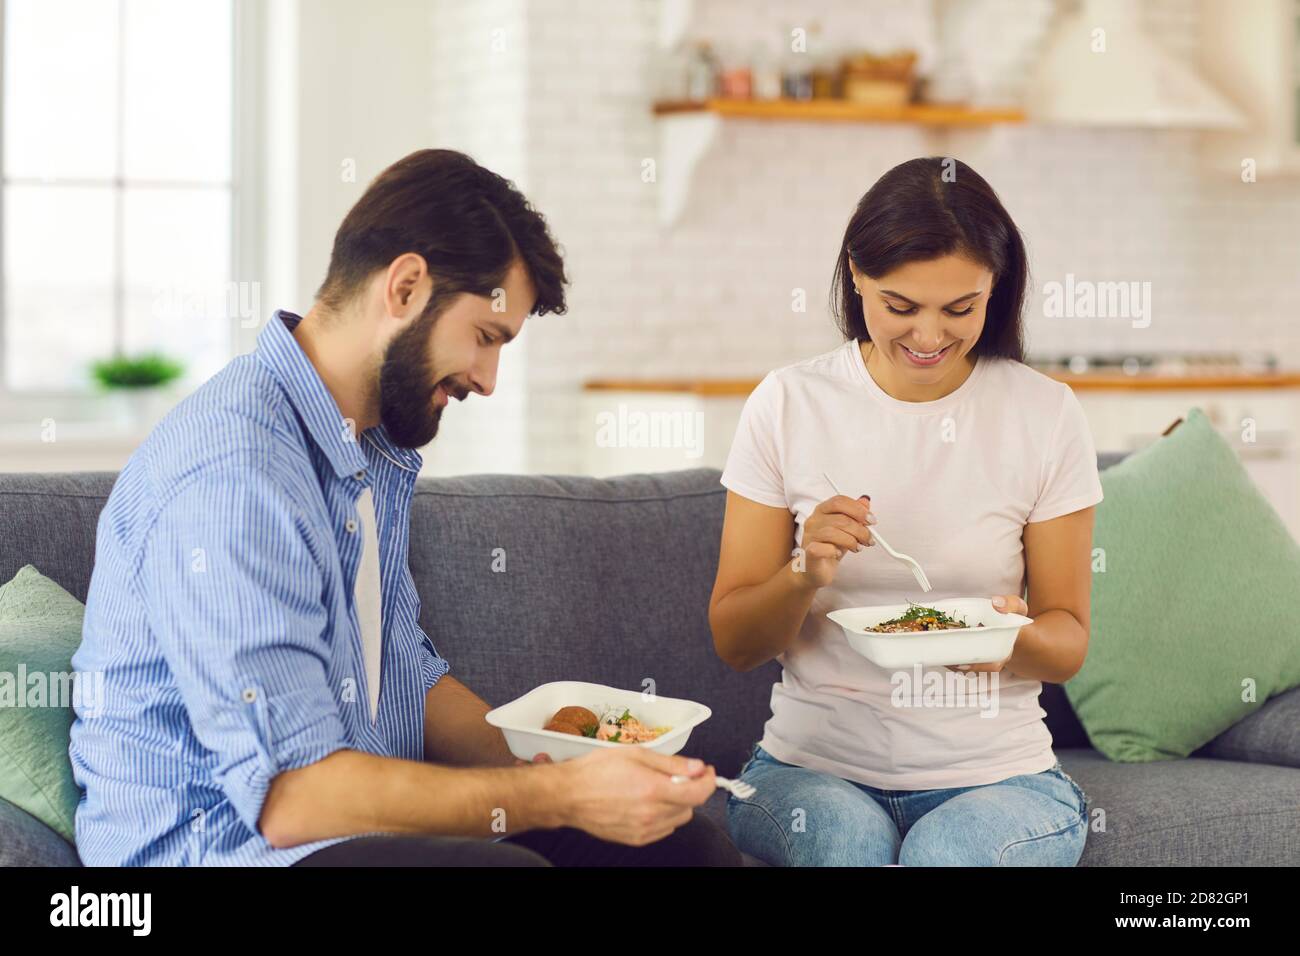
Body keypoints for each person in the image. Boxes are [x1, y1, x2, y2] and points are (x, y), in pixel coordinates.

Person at [70, 149, 740, 867]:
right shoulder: (236, 475)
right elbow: (291, 798)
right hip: (234, 845)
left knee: (680, 848)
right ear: (407, 287)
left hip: (347, 828)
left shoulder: (366, 454)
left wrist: (571, 769)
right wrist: (563, 797)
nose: (486, 380)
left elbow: (404, 681)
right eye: (486, 337)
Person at [709, 156, 1099, 866]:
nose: (928, 338)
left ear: (995, 289)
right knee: (847, 848)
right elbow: (736, 643)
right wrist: (803, 572)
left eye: (960, 309)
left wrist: (1008, 640)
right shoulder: (788, 404)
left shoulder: (1044, 414)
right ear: (855, 275)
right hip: (809, 771)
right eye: (899, 306)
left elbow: (1067, 643)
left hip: (1000, 778)